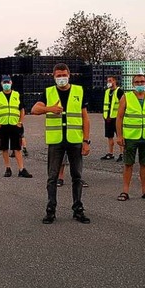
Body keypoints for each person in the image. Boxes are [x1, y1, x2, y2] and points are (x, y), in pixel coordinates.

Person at [31, 63, 91, 225]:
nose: (61, 78)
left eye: (64, 75)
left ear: (69, 75)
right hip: (56, 141)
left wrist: (86, 141)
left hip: (75, 140)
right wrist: (50, 108)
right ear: (53, 76)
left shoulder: (79, 91)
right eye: (58, 76)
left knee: (77, 176)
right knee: (52, 177)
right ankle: (51, 210)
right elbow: (35, 109)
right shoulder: (49, 92)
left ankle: (78, 208)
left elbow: (85, 118)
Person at [116, 74, 145, 202]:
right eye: (137, 82)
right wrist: (119, 135)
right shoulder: (126, 97)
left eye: (142, 82)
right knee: (128, 164)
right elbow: (119, 117)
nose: (140, 84)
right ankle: (125, 191)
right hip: (130, 136)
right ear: (133, 84)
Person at [0, 75, 32, 178]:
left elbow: (22, 109)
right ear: (1, 84)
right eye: (4, 82)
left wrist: (20, 122)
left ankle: (21, 169)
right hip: (3, 126)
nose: (6, 84)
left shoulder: (17, 95)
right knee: (4, 148)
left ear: (11, 83)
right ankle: (8, 168)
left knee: (17, 148)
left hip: (15, 126)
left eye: (8, 82)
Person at [101, 76, 124, 162]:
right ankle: (110, 153)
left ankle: (122, 153)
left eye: (110, 81)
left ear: (114, 81)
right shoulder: (107, 92)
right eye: (107, 81)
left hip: (116, 118)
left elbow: (123, 104)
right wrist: (105, 116)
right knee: (109, 136)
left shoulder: (119, 91)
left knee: (119, 136)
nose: (108, 82)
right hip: (108, 118)